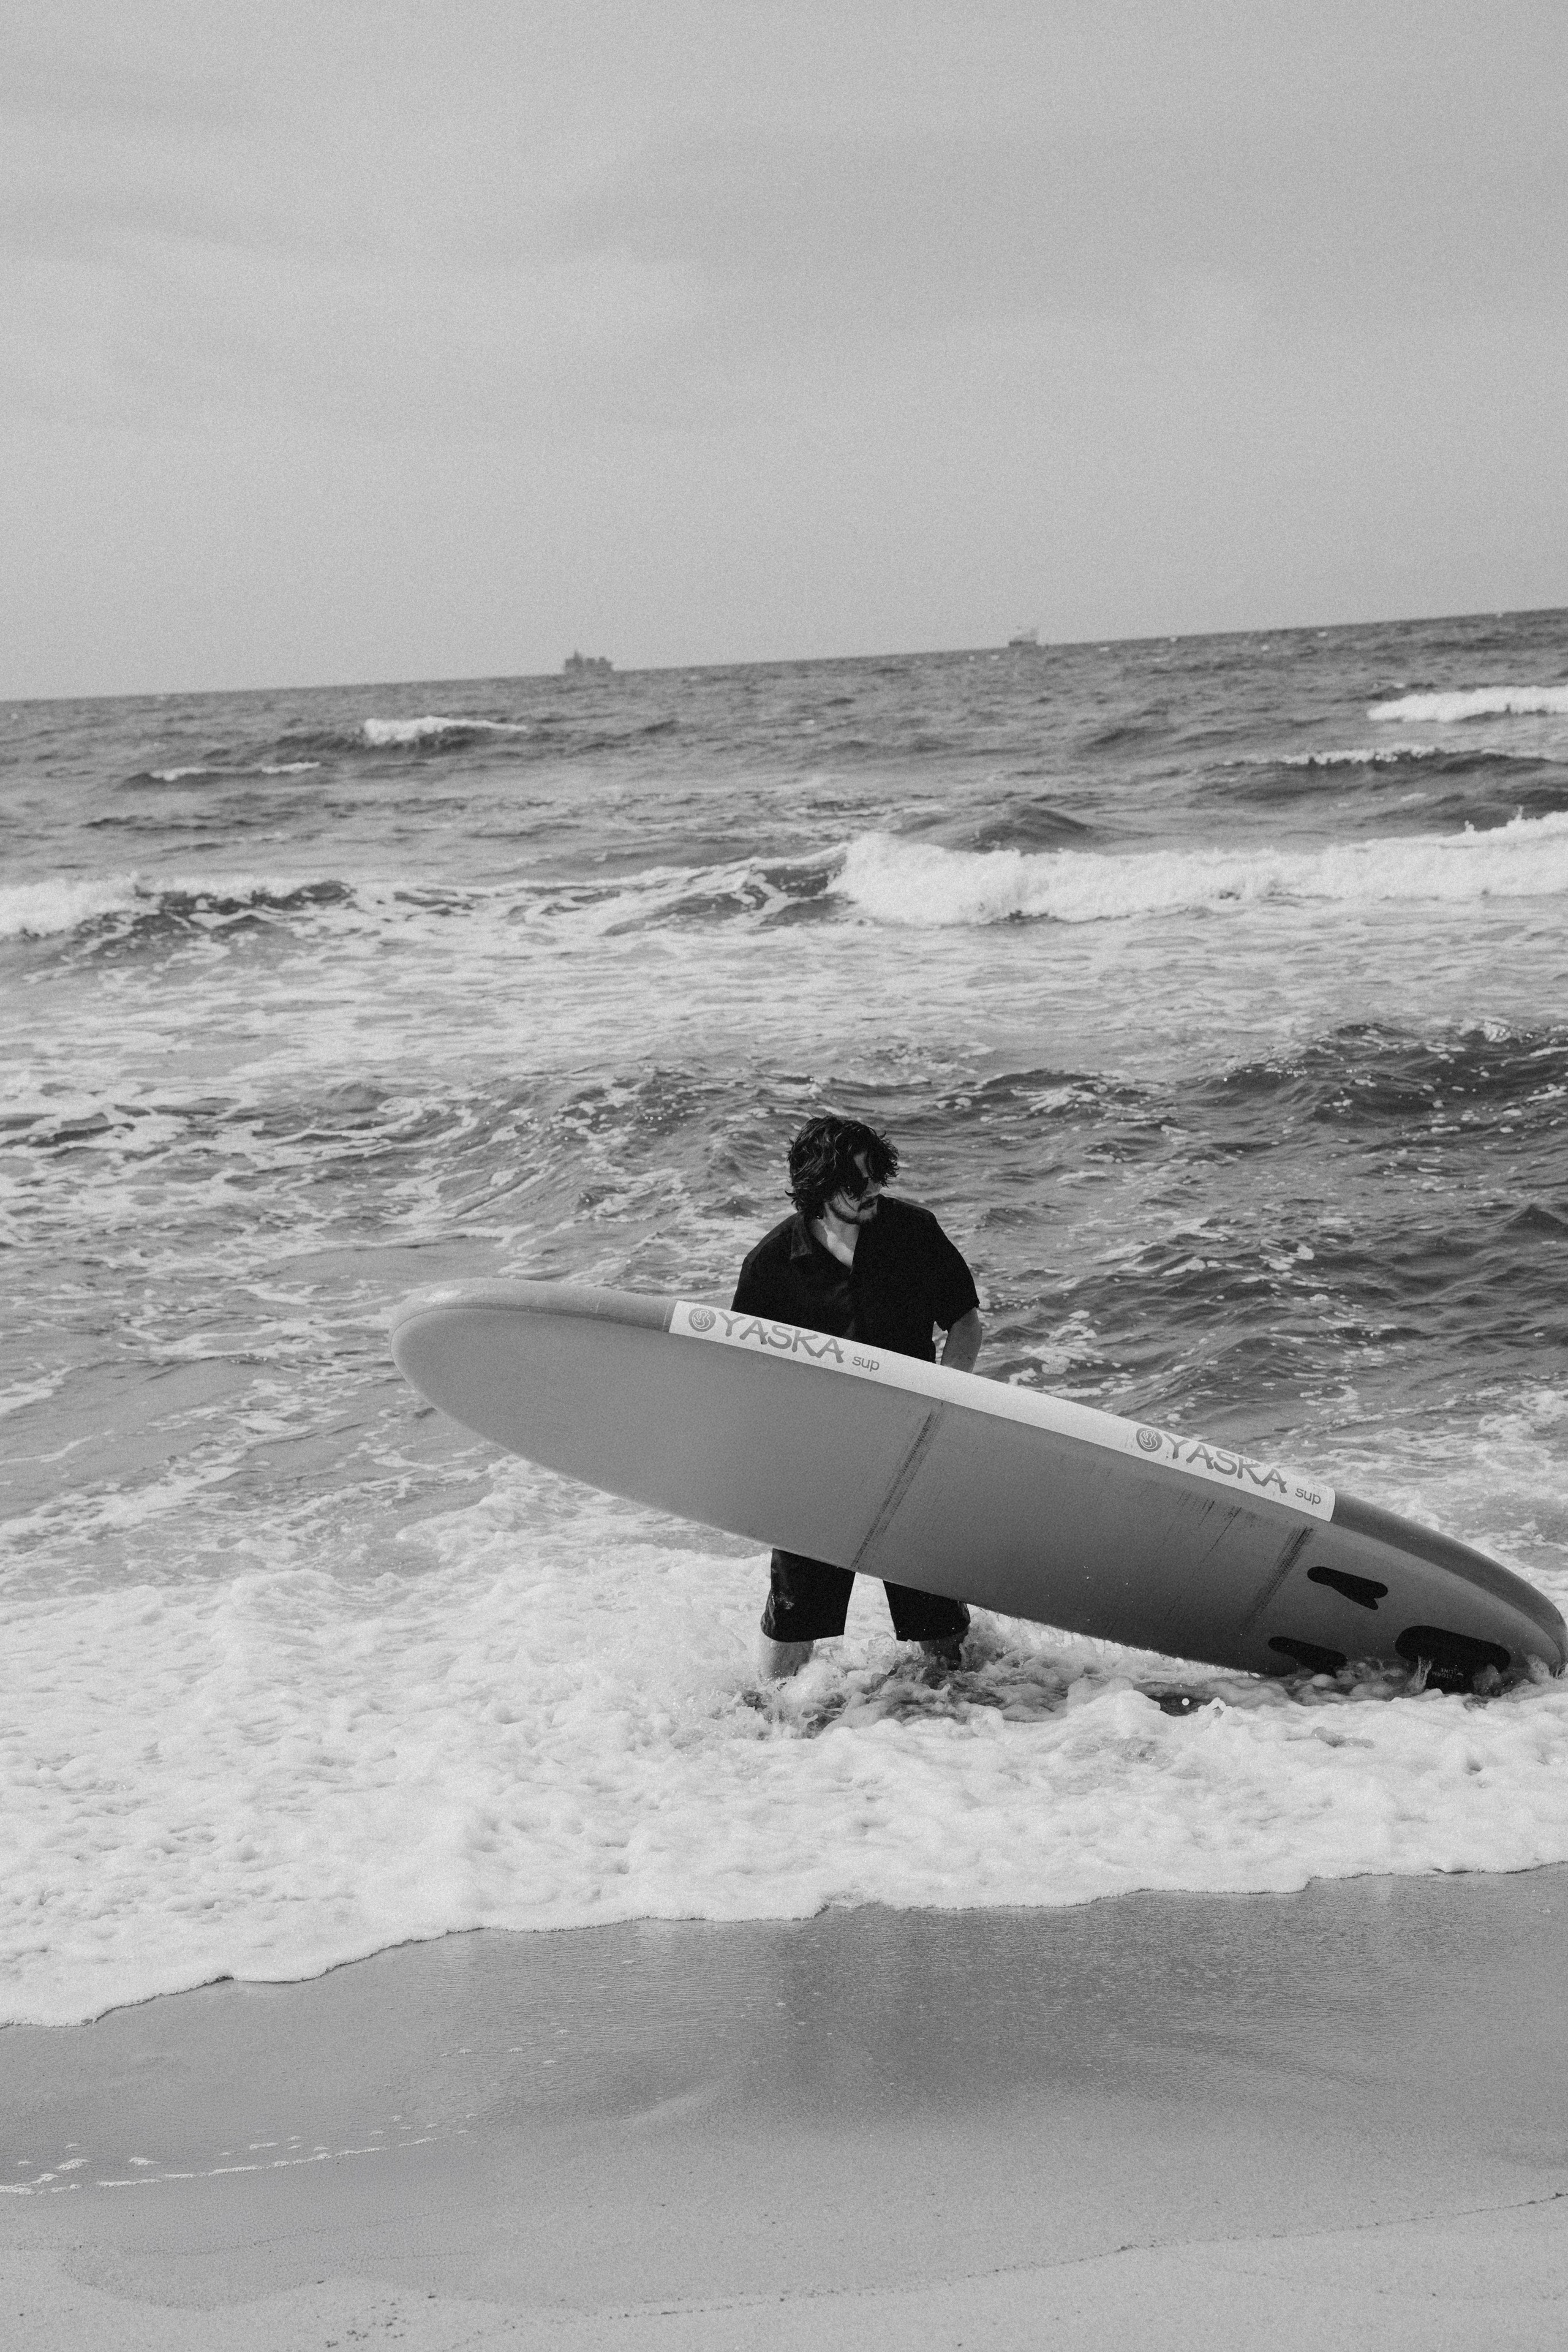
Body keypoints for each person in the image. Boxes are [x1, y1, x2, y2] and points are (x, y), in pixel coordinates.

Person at [731, 1114, 984, 1679]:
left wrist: (944, 1401)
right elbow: (748, 1372)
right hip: (819, 1459)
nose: (872, 1189)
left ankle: (966, 1709)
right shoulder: (772, 1264)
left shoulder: (914, 1232)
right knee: (797, 1610)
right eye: (855, 1182)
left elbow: (965, 1323)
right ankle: (772, 1716)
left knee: (935, 1613)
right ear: (819, 1186)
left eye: (876, 1175)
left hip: (910, 1443)